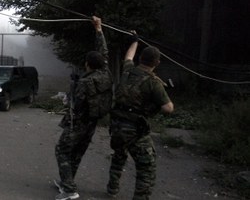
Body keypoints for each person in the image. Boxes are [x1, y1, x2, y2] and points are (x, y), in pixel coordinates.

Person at [106, 33, 174, 199]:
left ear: (140, 58)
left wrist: (135, 41)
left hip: (116, 126)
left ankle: (112, 189)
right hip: (135, 130)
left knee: (119, 157)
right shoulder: (154, 82)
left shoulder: (127, 71)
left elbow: (128, 56)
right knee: (146, 168)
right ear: (157, 63)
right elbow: (168, 108)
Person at [54, 16, 113, 200]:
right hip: (93, 122)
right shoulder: (106, 72)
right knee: (77, 153)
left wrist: (67, 98)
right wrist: (99, 29)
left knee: (62, 150)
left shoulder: (86, 82)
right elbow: (103, 51)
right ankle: (67, 181)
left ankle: (70, 190)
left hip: (79, 122)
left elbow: (75, 105)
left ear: (88, 64)